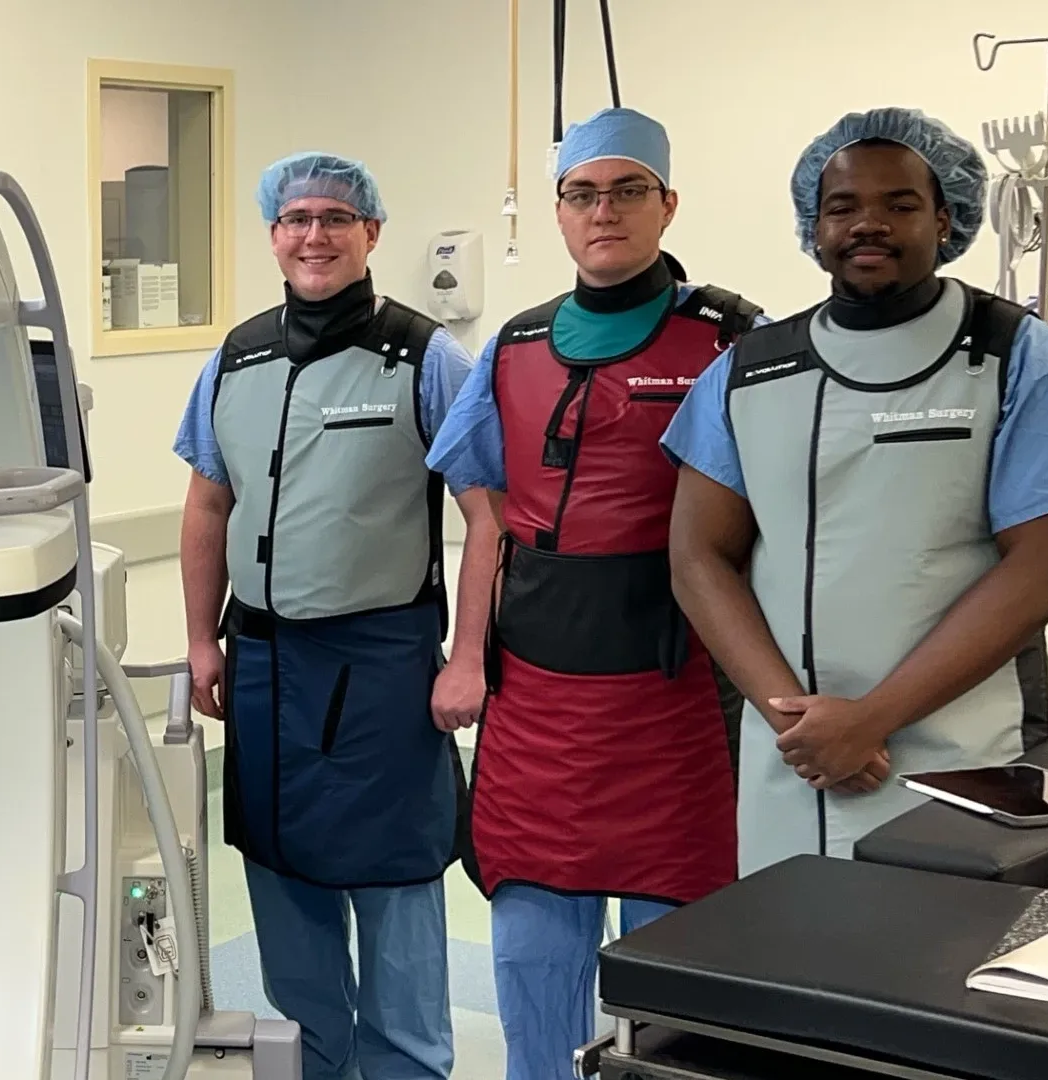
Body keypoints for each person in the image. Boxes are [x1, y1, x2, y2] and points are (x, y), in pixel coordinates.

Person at [425, 107, 763, 1080]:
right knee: (533, 963)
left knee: (677, 989)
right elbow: (486, 520)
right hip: (537, 710)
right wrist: (462, 659)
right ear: (560, 211)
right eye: (581, 193)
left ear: (667, 204)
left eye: (625, 191)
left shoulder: (731, 343)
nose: (601, 211)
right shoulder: (515, 349)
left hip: (676, 707)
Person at [664, 107, 1048, 877]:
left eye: (900, 204)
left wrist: (871, 720)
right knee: (791, 967)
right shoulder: (750, 372)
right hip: (794, 765)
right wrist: (798, 723)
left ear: (946, 217)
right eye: (843, 207)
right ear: (813, 228)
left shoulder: (1018, 357)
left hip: (963, 761)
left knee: (948, 977)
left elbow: (1044, 564)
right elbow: (697, 557)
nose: (868, 224)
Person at [174, 152, 482, 1080]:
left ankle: (409, 1065)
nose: (315, 235)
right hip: (264, 662)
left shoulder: (427, 356)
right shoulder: (238, 357)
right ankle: (316, 1062)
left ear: (371, 233)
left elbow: (491, 520)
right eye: (297, 218)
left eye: (336, 219)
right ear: (272, 233)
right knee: (281, 871)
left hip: (386, 658)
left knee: (394, 880)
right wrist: (198, 640)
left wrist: (467, 658)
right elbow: (206, 506)